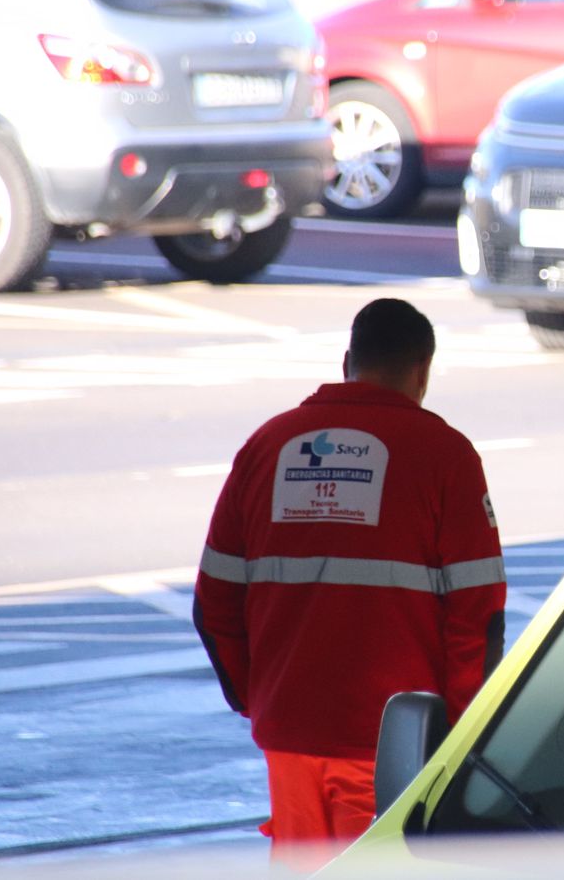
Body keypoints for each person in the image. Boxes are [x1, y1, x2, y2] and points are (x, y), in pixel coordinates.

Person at [193, 298, 505, 859]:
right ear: (422, 370)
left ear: (346, 362)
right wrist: (459, 736)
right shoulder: (445, 456)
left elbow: (214, 604)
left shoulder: (267, 448)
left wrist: (260, 698)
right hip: (393, 746)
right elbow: (476, 618)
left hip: (288, 734)